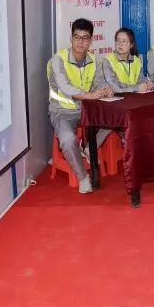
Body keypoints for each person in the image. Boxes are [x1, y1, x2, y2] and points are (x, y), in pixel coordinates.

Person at [48, 18, 114, 194]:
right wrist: (89, 95)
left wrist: (106, 91)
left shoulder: (95, 60)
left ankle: (88, 148)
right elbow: (65, 88)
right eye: (77, 37)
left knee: (115, 119)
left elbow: (99, 83)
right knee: (68, 140)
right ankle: (83, 177)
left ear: (90, 40)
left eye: (85, 38)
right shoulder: (58, 59)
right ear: (71, 38)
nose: (80, 42)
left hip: (87, 109)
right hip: (62, 110)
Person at [98, 28, 154, 93]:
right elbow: (114, 86)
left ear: (131, 44)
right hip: (117, 97)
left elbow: (140, 79)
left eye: (124, 41)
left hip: (134, 96)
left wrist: (147, 82)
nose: (120, 44)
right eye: (118, 41)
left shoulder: (137, 60)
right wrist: (136, 88)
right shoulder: (108, 60)